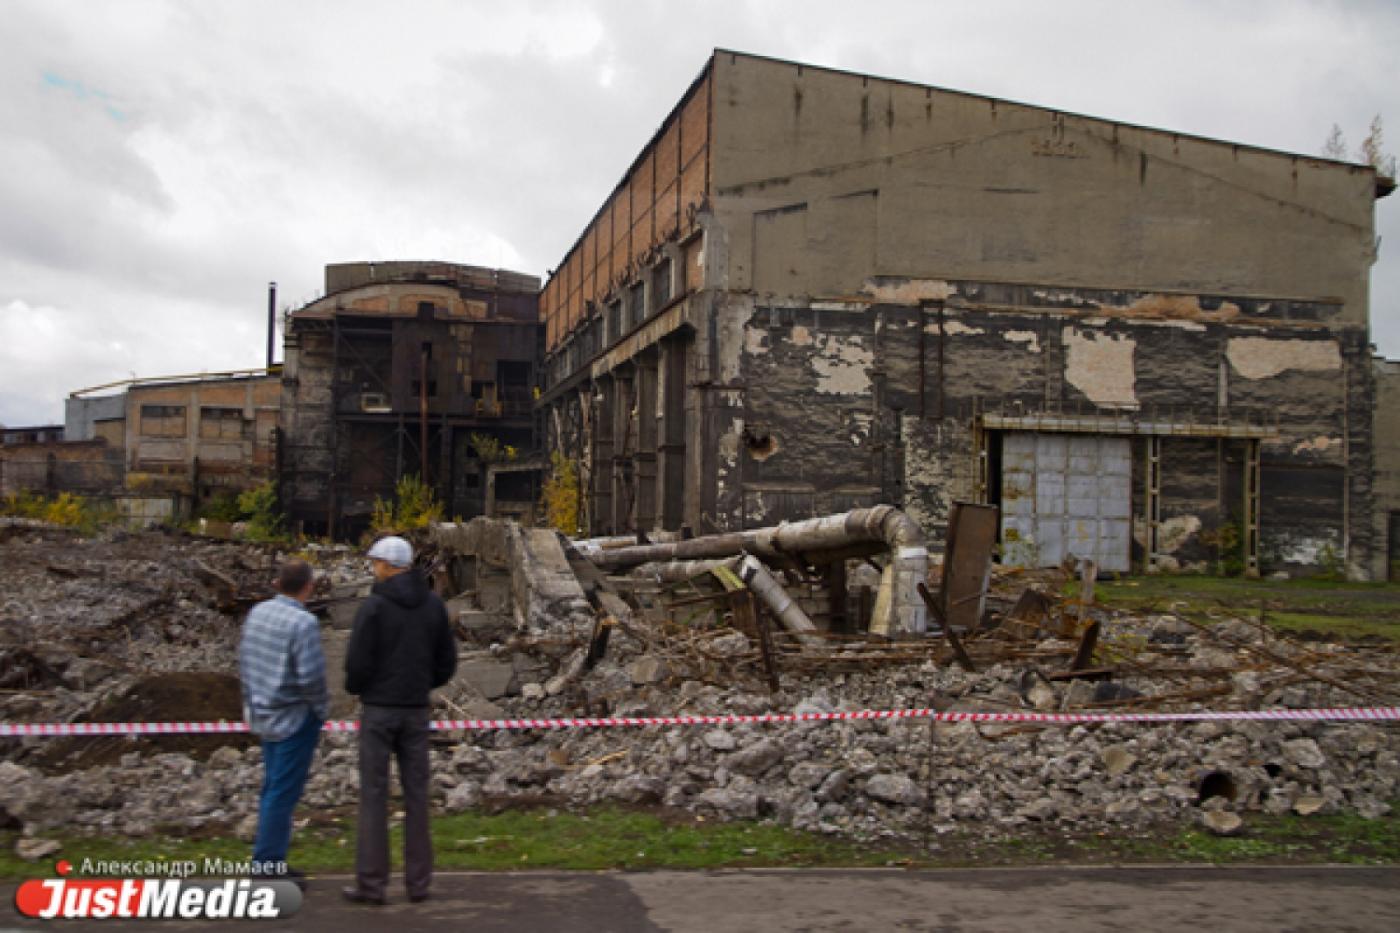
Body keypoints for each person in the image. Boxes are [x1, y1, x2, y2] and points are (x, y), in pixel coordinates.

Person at [342, 535, 457, 906]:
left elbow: (357, 663)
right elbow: (447, 663)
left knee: (374, 796)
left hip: (378, 710)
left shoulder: (374, 607)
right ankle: (418, 882)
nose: (373, 569)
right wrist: (421, 684)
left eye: (376, 563)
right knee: (417, 796)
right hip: (415, 710)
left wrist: (362, 688)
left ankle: (371, 883)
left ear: (389, 567)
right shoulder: (433, 607)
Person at [238, 558, 328, 886]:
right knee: (282, 792)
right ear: (308, 586)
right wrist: (321, 710)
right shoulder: (303, 624)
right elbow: (311, 677)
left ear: (278, 583)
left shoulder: (257, 614)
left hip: (262, 711)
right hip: (293, 718)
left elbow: (245, 661)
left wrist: (251, 702)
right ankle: (268, 865)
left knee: (271, 787)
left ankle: (269, 855)